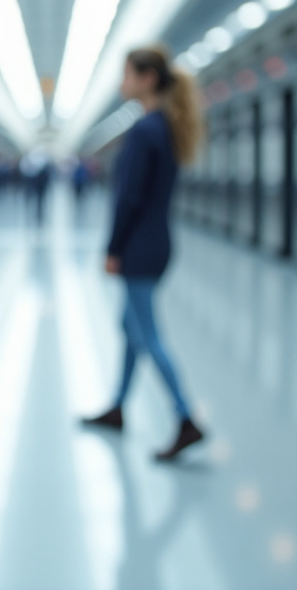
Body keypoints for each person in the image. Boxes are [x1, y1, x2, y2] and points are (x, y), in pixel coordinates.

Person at [83, 45, 207, 462]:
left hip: (137, 246)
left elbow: (128, 199)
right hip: (158, 242)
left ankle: (186, 417)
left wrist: (113, 248)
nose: (122, 83)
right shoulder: (166, 128)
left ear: (147, 79)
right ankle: (118, 407)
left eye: (127, 75)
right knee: (130, 327)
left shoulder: (143, 131)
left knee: (149, 335)